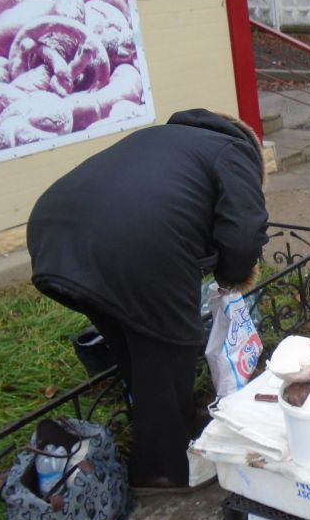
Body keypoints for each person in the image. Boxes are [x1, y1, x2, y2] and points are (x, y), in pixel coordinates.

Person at [27, 109, 269, 492]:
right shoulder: (234, 151)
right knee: (175, 345)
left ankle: (164, 428)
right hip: (134, 245)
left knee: (137, 343)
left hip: (53, 235)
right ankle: (164, 472)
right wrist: (232, 276)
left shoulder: (160, 138)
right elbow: (242, 231)